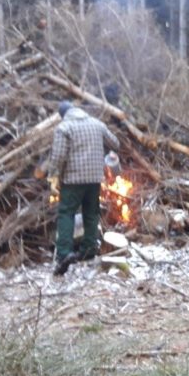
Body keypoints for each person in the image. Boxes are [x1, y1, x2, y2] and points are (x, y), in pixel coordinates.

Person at [46, 100, 119, 276]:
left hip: (72, 179)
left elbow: (58, 156)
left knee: (66, 213)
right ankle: (89, 250)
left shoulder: (64, 128)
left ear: (63, 115)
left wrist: (53, 176)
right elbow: (115, 143)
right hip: (94, 178)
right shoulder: (96, 124)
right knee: (91, 213)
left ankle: (64, 253)